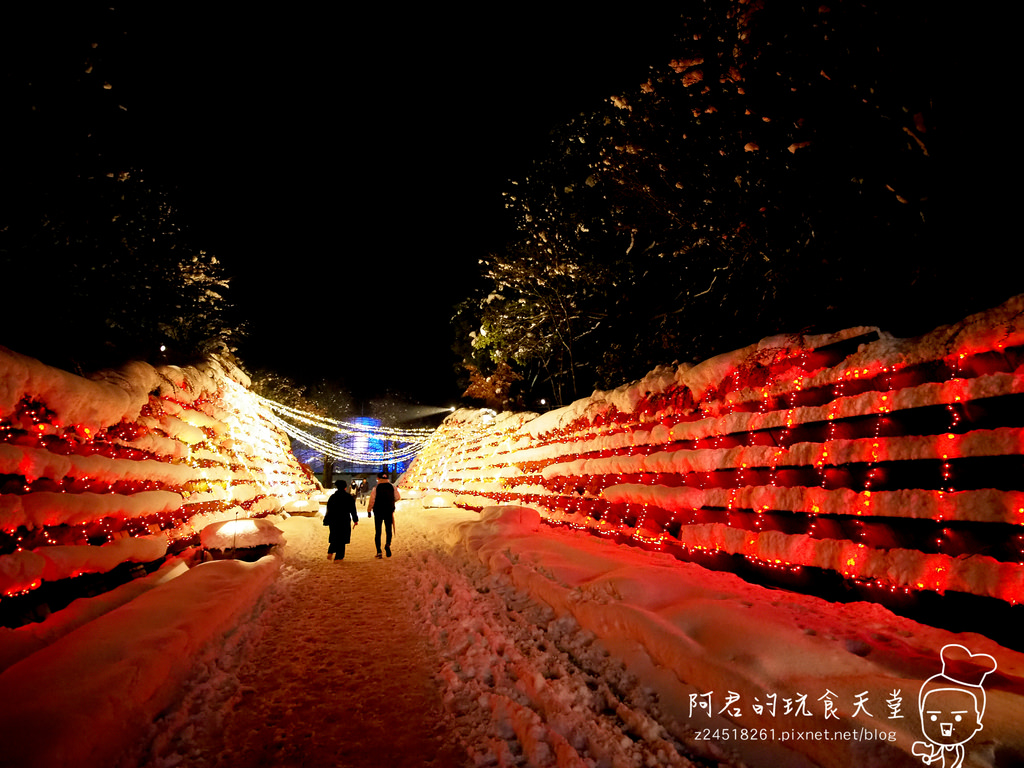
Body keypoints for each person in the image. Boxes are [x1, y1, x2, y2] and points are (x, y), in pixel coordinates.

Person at [323, 480, 359, 561]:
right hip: (344, 519)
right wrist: (355, 519)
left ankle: (331, 550)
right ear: (345, 487)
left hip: (334, 520)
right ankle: (339, 557)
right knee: (342, 538)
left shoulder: (332, 497)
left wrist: (326, 519)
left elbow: (329, 509)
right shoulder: (349, 497)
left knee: (334, 535)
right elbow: (353, 510)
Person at [367, 471, 400, 558]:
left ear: (379, 478)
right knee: (388, 529)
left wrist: (369, 510)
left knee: (378, 531)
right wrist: (391, 501)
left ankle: (379, 551)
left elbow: (372, 500)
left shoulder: (376, 488)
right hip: (389, 511)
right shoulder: (392, 487)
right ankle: (388, 544)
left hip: (378, 511)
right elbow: (397, 497)